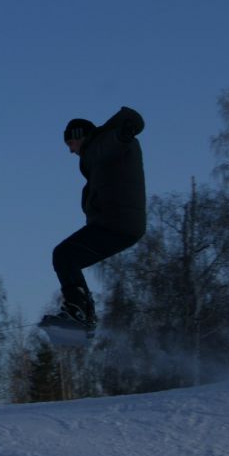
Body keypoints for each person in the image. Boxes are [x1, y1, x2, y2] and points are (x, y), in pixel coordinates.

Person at [40, 106, 147, 336]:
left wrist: (123, 133)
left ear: (79, 136)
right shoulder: (100, 149)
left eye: (70, 144)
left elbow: (112, 144)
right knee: (68, 257)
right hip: (120, 224)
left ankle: (80, 314)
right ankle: (82, 314)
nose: (71, 151)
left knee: (64, 255)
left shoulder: (102, 144)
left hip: (117, 223)